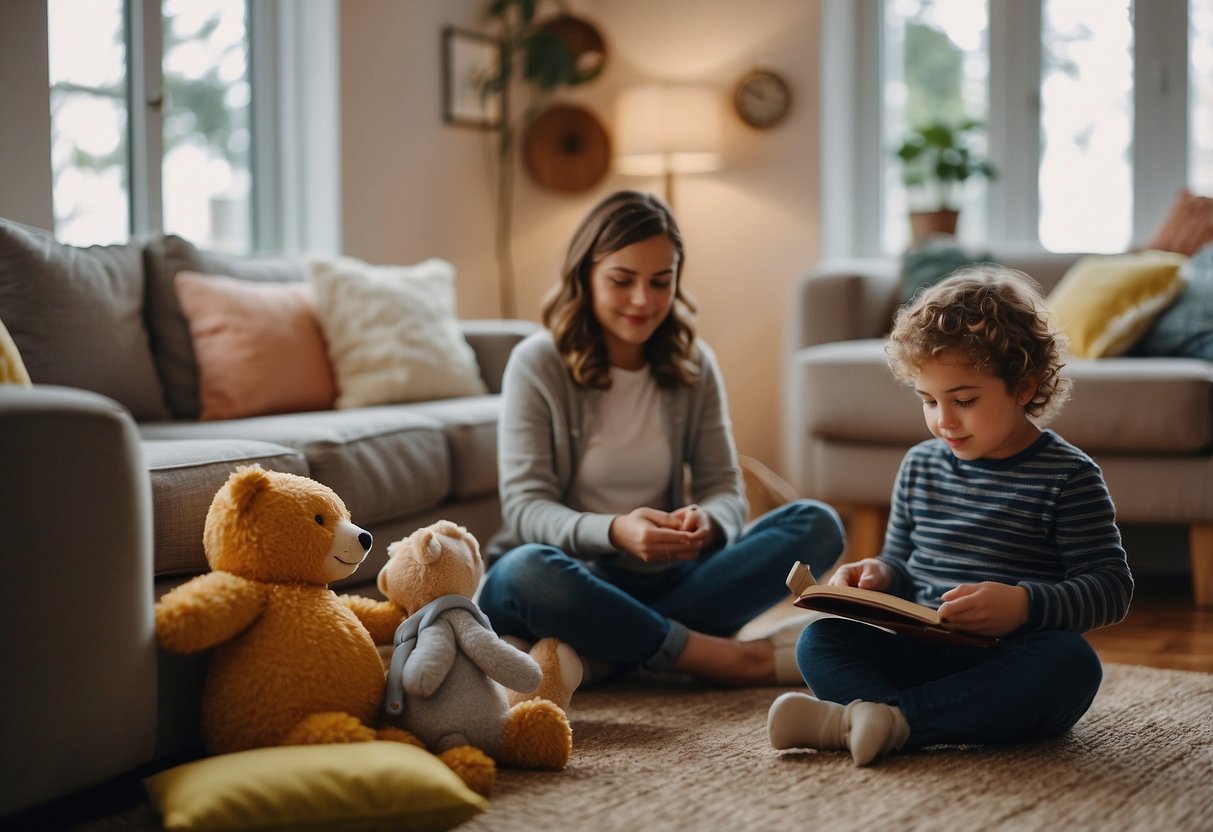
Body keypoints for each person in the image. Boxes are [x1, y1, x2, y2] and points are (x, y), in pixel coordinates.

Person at [767, 265, 1134, 765]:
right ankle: (891, 719)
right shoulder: (920, 464)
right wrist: (877, 574)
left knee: (1071, 666)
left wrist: (1024, 605)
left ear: (1023, 387)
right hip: (921, 651)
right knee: (820, 640)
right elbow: (900, 562)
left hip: (1007, 660)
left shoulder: (1069, 477)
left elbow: (1111, 587)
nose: (944, 420)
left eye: (963, 400)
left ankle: (871, 720)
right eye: (929, 400)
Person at [478, 190, 844, 688]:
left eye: (660, 282)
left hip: (668, 577)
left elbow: (724, 490)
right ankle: (717, 657)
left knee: (817, 524)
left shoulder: (694, 363)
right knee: (521, 573)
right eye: (622, 281)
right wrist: (615, 531)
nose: (642, 301)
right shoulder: (537, 362)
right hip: (573, 575)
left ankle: (610, 651)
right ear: (585, 274)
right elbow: (525, 509)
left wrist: (708, 523)